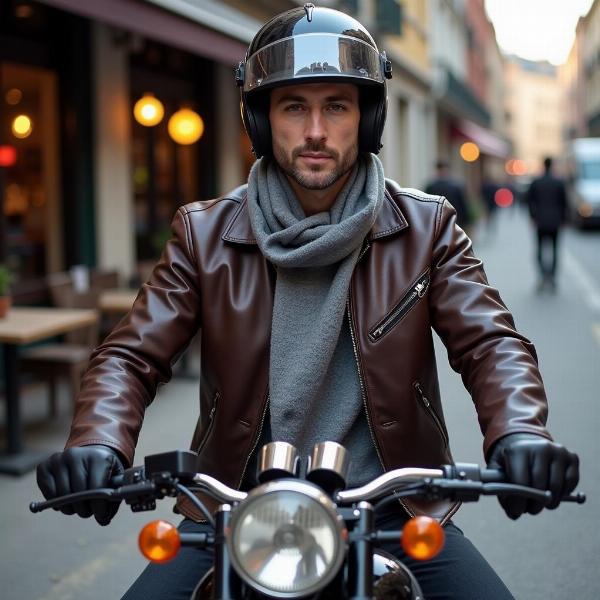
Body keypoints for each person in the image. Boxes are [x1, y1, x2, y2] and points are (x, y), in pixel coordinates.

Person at [36, 5, 579, 599]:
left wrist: (521, 433)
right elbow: (130, 355)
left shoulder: (427, 228)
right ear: (263, 121)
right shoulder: (205, 233)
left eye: (337, 106)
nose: (316, 130)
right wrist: (97, 441)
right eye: (294, 106)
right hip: (237, 508)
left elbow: (489, 342)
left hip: (392, 508)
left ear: (368, 120)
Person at [526, 157, 568, 291]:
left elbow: (529, 201)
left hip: (540, 221)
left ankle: (542, 275)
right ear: (552, 165)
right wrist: (563, 220)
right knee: (555, 250)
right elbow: (564, 203)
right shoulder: (559, 182)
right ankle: (552, 277)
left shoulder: (536, 182)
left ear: (543, 165)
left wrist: (532, 217)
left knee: (539, 249)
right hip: (555, 221)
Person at [425, 159, 472, 233]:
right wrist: (467, 222)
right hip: (453, 219)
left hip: (438, 221)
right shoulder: (457, 186)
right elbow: (463, 205)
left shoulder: (430, 187)